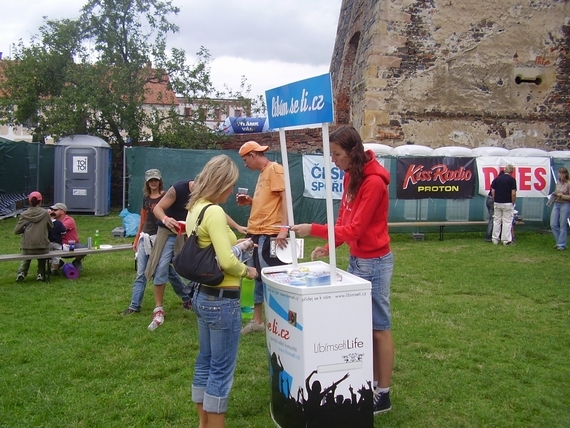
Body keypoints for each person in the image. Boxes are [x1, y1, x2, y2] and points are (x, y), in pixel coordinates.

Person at [291, 125, 395, 415]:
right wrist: (330, 244)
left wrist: (313, 229)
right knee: (364, 328)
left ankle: (383, 393)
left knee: (379, 329)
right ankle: (370, 383)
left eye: (336, 154)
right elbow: (345, 219)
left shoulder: (373, 183)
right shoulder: (352, 175)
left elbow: (356, 227)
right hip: (358, 258)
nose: (333, 160)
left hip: (374, 262)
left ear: (352, 152)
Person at [186, 154, 257, 428]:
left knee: (205, 361)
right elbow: (226, 262)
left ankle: (203, 424)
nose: (232, 191)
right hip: (223, 300)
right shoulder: (214, 211)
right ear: (221, 182)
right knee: (221, 369)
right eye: (230, 185)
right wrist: (246, 270)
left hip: (203, 296)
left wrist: (239, 245)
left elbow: (213, 253)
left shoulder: (196, 208)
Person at [146, 177, 247, 331]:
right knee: (160, 268)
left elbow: (218, 213)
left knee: (187, 266)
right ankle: (159, 308)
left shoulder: (205, 198)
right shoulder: (178, 188)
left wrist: (237, 227)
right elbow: (157, 208)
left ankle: (190, 298)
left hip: (186, 232)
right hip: (167, 231)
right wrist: (166, 219)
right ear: (193, 185)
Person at [237, 140, 289, 335]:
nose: (245, 164)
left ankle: (278, 320)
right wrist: (250, 201)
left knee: (272, 277)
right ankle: (258, 321)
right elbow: (268, 204)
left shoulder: (275, 169)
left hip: (269, 233)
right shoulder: (262, 174)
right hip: (256, 233)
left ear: (253, 155)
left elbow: (286, 199)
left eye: (245, 160)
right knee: (257, 275)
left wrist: (284, 228)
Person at [121, 169, 190, 315]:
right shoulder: (146, 198)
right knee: (142, 272)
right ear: (147, 182)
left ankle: (186, 297)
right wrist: (137, 239)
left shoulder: (168, 196)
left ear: (160, 181)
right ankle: (134, 305)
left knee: (167, 271)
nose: (153, 182)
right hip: (146, 238)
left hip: (162, 238)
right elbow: (143, 219)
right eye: (151, 180)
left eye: (156, 180)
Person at [14, 191, 53, 282]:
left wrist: (24, 229)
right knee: (42, 257)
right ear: (40, 201)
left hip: (27, 245)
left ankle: (22, 272)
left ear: (29, 201)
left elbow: (16, 231)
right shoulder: (45, 213)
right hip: (42, 245)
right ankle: (40, 273)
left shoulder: (24, 214)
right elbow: (51, 226)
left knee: (26, 257)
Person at [49, 203, 87, 270]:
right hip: (57, 245)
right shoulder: (52, 221)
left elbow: (59, 229)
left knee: (83, 248)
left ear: (62, 211)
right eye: (51, 210)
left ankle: (77, 261)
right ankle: (58, 263)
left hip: (71, 245)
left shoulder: (69, 220)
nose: (52, 212)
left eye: (55, 210)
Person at [490, 164, 517, 246]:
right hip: (507, 202)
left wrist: (495, 199)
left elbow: (493, 190)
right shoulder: (512, 180)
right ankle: (506, 240)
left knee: (496, 221)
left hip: (497, 202)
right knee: (507, 222)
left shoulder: (497, 179)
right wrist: (513, 202)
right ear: (512, 171)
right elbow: (513, 193)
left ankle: (495, 239)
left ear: (505, 170)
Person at [550, 166, 570, 250]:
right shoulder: (558, 182)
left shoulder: (569, 183)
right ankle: (559, 242)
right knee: (553, 224)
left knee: (562, 225)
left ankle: (561, 244)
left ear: (565, 174)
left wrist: (562, 195)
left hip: (565, 204)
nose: (559, 175)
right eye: (558, 173)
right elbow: (557, 191)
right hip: (557, 203)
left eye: (561, 173)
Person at [47, 210, 66, 275]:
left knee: (49, 256)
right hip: (57, 242)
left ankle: (48, 269)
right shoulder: (59, 223)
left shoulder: (46, 223)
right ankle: (55, 270)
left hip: (48, 242)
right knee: (57, 256)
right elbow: (63, 232)